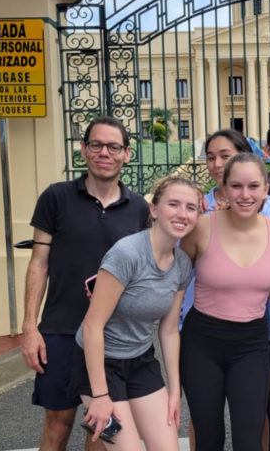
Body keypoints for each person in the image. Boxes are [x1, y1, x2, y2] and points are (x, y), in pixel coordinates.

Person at [23, 116, 150, 451]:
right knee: (58, 425)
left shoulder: (139, 209)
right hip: (62, 330)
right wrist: (30, 328)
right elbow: (39, 263)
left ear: (126, 153)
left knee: (103, 430)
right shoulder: (56, 197)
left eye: (113, 146)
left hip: (114, 336)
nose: (104, 152)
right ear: (83, 149)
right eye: (96, 145)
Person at [73, 177, 200, 450]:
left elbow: (168, 330)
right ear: (154, 209)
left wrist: (174, 390)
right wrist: (100, 396)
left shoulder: (182, 264)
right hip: (101, 361)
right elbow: (93, 326)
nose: (182, 213)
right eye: (173, 204)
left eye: (191, 207)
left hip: (140, 360)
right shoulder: (127, 253)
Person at [179, 129, 270, 451]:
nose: (245, 194)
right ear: (223, 189)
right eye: (236, 186)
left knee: (249, 440)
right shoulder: (200, 228)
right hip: (202, 343)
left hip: (252, 345)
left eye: (254, 186)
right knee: (208, 438)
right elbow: (173, 286)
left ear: (266, 190)